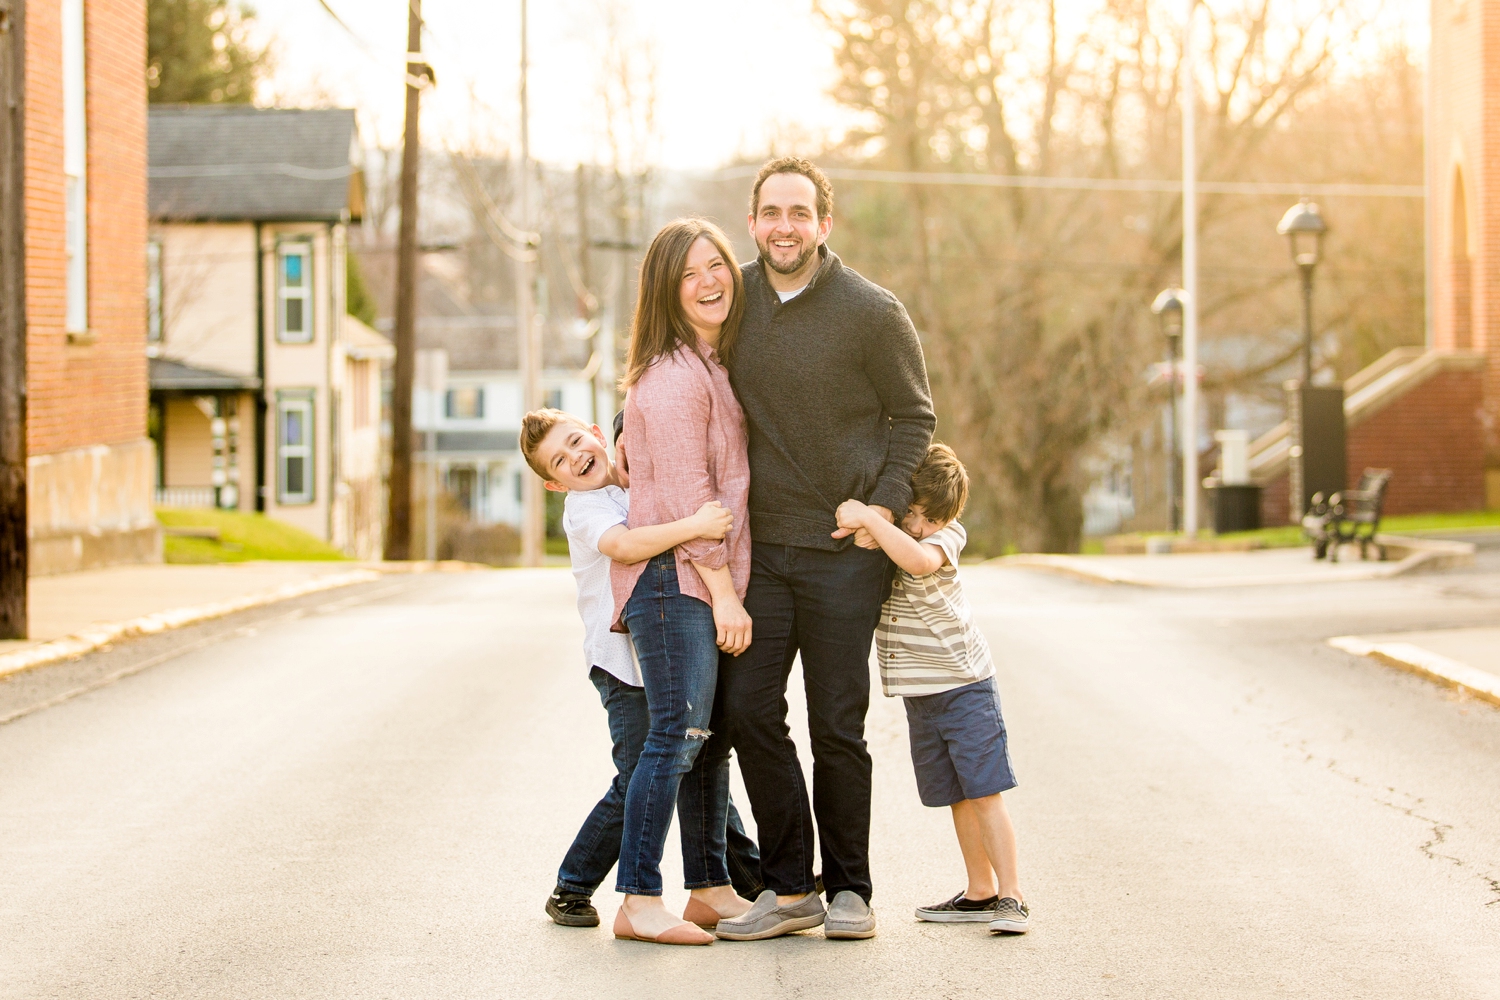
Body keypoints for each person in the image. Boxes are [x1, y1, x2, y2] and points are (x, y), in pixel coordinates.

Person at [712, 157, 936, 943]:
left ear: (823, 224)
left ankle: (850, 890)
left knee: (837, 723)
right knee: (746, 710)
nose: (785, 226)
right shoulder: (730, 301)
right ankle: (788, 886)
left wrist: (881, 508)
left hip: (845, 554)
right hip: (759, 550)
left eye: (799, 213)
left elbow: (915, 418)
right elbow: (677, 371)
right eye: (771, 212)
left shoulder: (873, 312)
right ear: (753, 222)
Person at [518, 407, 764, 929]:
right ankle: (573, 885)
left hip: (663, 654)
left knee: (691, 755)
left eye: (575, 442)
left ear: (595, 433)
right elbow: (626, 545)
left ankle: (744, 878)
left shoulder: (633, 488)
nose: (575, 459)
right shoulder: (584, 510)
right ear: (554, 486)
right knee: (640, 775)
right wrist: (695, 526)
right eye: (559, 462)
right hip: (621, 667)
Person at [608, 218, 756, 946]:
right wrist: (724, 591)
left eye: (718, 265)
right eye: (692, 272)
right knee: (675, 736)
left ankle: (711, 885)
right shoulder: (672, 377)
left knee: (707, 739)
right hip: (674, 583)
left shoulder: (709, 367)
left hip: (695, 580)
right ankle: (637, 898)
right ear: (668, 290)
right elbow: (691, 498)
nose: (710, 281)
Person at [833, 444, 1028, 935]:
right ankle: (980, 891)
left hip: (965, 687)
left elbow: (919, 561)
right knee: (957, 796)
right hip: (923, 697)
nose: (920, 526)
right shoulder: (891, 537)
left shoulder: (945, 539)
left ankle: (1012, 896)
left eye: (930, 519)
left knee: (985, 792)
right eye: (914, 514)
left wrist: (872, 520)